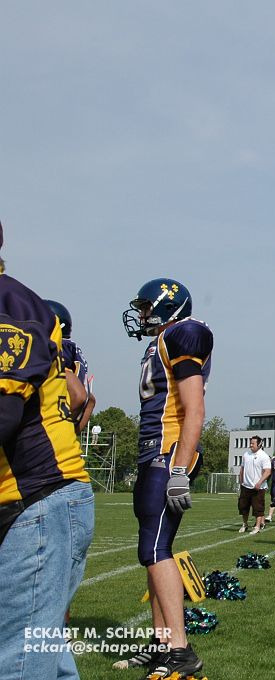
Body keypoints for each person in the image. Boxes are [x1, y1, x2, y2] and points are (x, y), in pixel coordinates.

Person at [0, 223, 95, 680]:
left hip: (35, 498)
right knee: (46, 653)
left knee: (19, 663)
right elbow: (78, 396)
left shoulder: (9, 304)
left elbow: (2, 413)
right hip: (38, 497)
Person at [121, 277, 212, 677]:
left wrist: (179, 467)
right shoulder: (162, 339)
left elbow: (195, 408)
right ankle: (162, 643)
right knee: (153, 549)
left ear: (165, 305)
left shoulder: (186, 333)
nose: (141, 314)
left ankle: (180, 648)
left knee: (154, 548)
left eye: (146, 306)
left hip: (167, 452)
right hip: (152, 453)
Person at [45, 299, 95, 433]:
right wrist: (71, 433)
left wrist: (58, 428)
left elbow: (79, 395)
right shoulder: (71, 349)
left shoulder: (57, 349)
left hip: (47, 433)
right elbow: (90, 401)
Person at [238, 436, 271, 534]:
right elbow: (242, 469)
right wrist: (241, 482)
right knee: (243, 507)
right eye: (250, 443)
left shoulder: (264, 456)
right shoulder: (246, 454)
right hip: (246, 486)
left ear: (259, 444)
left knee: (258, 508)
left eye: (253, 443)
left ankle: (257, 527)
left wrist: (259, 482)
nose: (251, 445)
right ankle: (245, 524)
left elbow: (267, 471)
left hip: (258, 487)